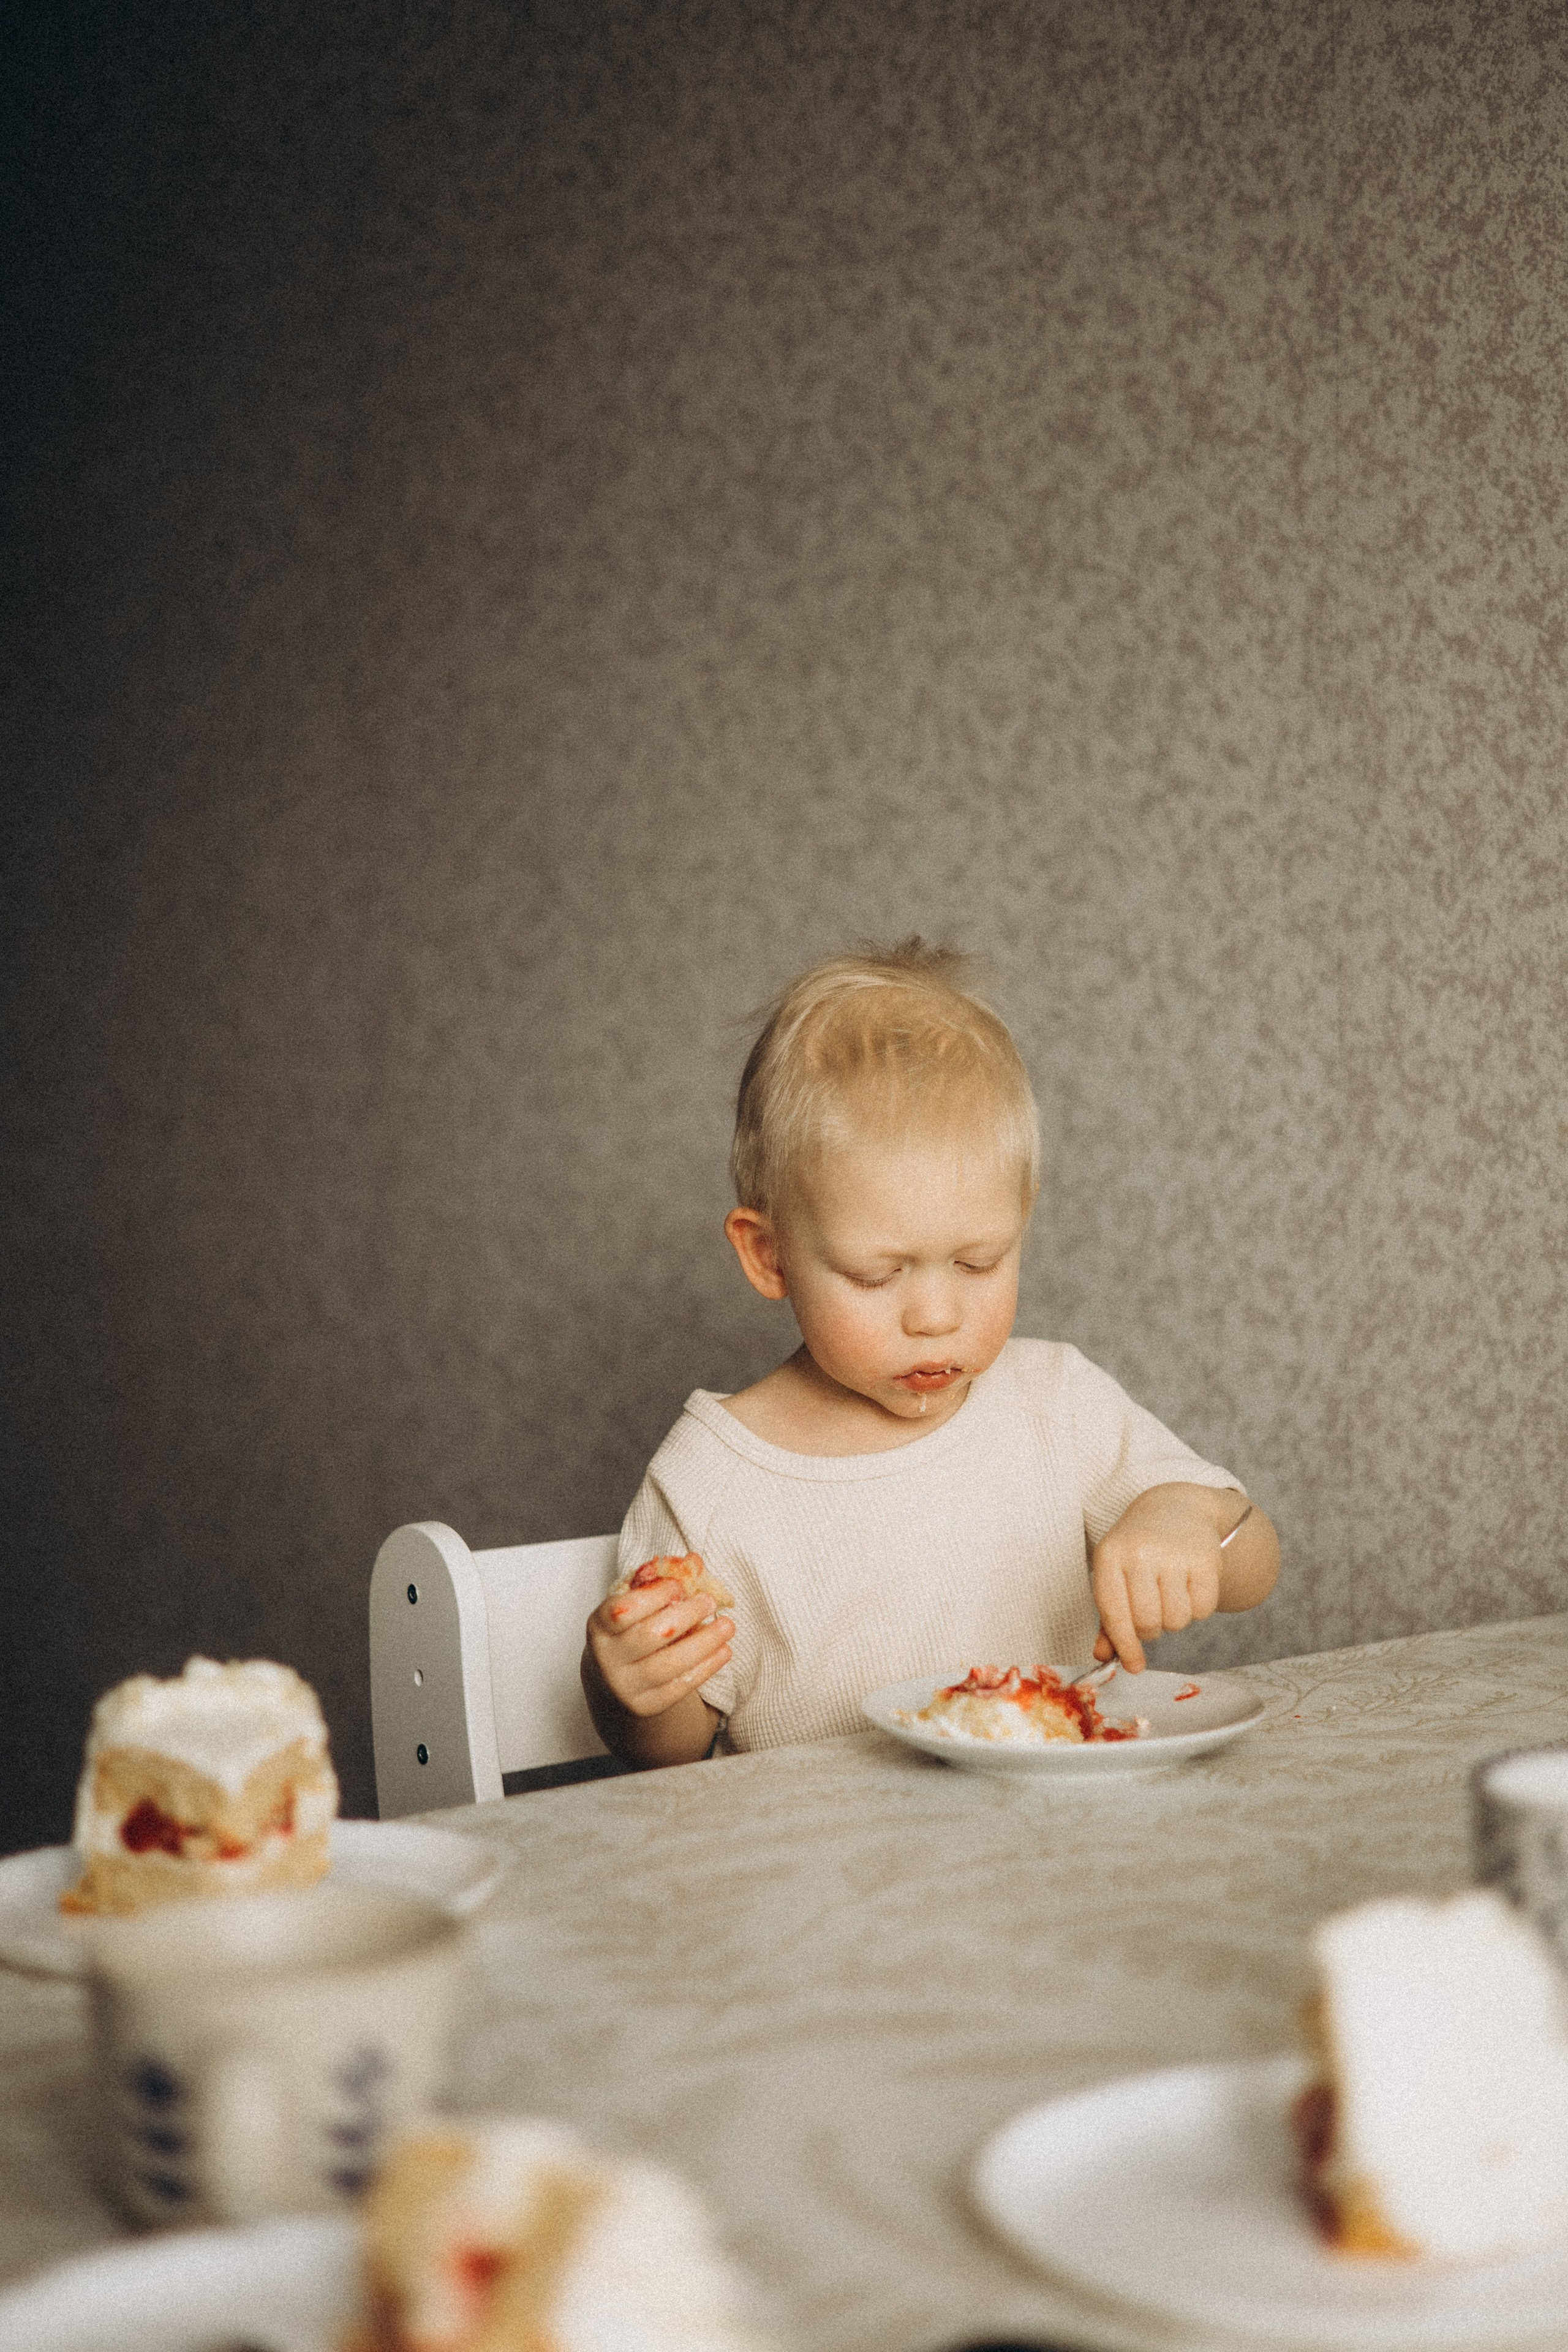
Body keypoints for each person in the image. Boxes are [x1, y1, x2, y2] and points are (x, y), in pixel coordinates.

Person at [581, 940, 1278, 1767]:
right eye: (879, 1276)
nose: (938, 1315)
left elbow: (1257, 1565)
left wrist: (1189, 1518)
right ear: (769, 1256)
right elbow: (669, 1760)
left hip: (1052, 1855)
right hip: (828, 1880)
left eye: (979, 1263)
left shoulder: (1056, 1404)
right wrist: (631, 1685)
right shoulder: (712, 1481)